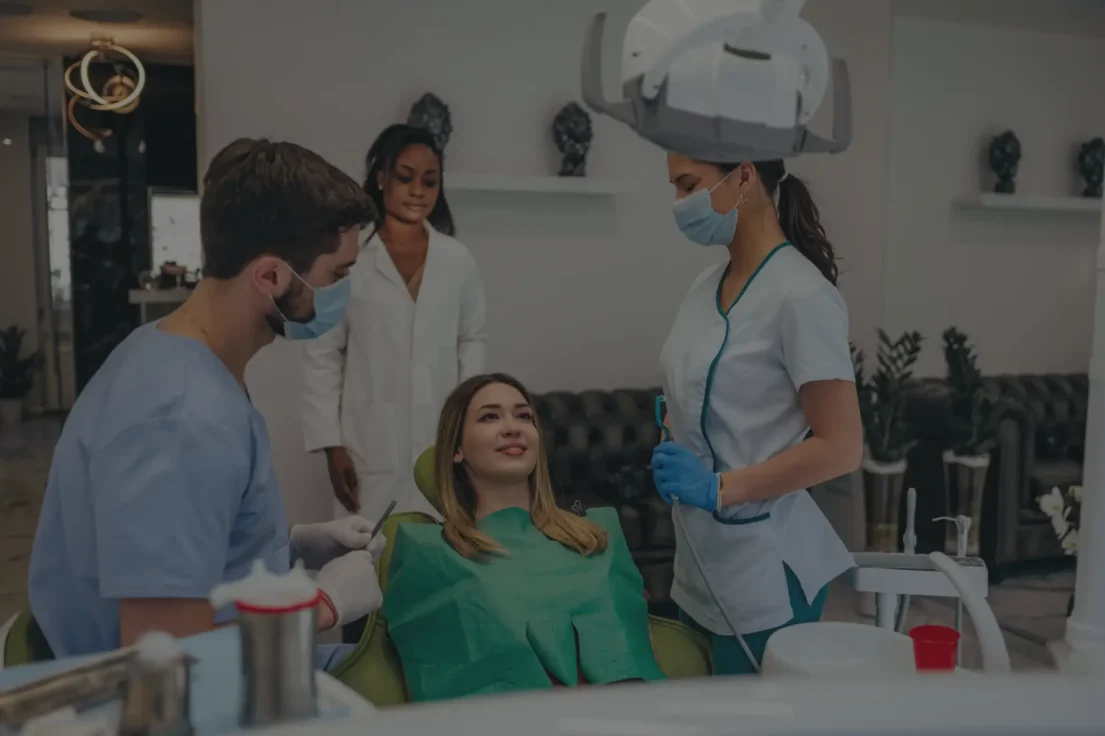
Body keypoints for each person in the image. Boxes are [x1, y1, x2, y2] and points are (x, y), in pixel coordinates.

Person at [28, 138, 386, 671]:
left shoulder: (170, 351)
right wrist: (322, 605)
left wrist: (286, 547)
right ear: (270, 276)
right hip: (163, 702)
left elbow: (180, 540)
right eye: (338, 275)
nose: (344, 291)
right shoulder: (179, 417)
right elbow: (159, 651)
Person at [652, 155, 863, 675]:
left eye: (688, 186)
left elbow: (841, 448)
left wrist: (718, 488)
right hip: (700, 559)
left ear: (744, 176)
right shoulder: (706, 284)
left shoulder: (802, 294)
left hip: (766, 569)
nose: (680, 204)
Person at [381, 373, 666, 701]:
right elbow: (433, 680)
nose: (512, 427)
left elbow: (643, 652)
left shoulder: (596, 537)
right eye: (490, 416)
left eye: (524, 416)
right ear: (457, 449)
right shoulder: (431, 555)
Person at [302, 123, 487, 524]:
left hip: (441, 438)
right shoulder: (351, 256)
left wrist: (470, 420)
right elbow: (322, 351)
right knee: (365, 561)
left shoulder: (457, 260)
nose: (418, 190)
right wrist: (330, 445)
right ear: (381, 177)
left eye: (430, 180)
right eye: (405, 177)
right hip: (367, 444)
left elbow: (471, 339)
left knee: (439, 559)